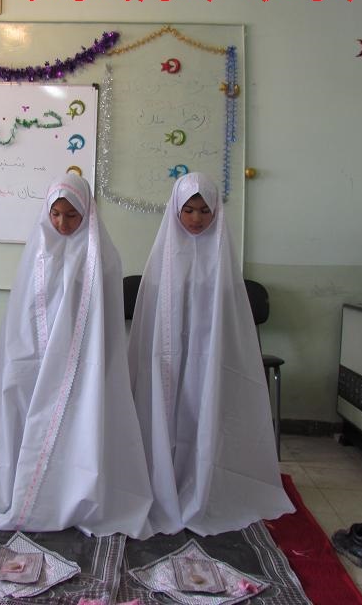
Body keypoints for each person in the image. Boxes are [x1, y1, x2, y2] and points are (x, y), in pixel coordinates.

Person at [0, 172, 153, 538]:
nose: (62, 223)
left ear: (87, 214)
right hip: (34, 354)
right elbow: (23, 314)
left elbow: (103, 324)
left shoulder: (103, 258)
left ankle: (69, 491)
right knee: (18, 404)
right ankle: (21, 486)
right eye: (56, 214)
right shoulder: (37, 252)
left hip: (81, 361)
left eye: (72, 215)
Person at [127, 172, 294, 536]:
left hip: (209, 359)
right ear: (176, 210)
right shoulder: (163, 259)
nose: (196, 218)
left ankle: (202, 478)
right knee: (169, 411)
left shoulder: (222, 259)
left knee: (203, 409)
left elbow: (229, 322)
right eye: (189, 210)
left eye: (205, 210)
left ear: (216, 211)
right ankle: (164, 477)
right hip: (170, 359)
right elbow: (153, 321)